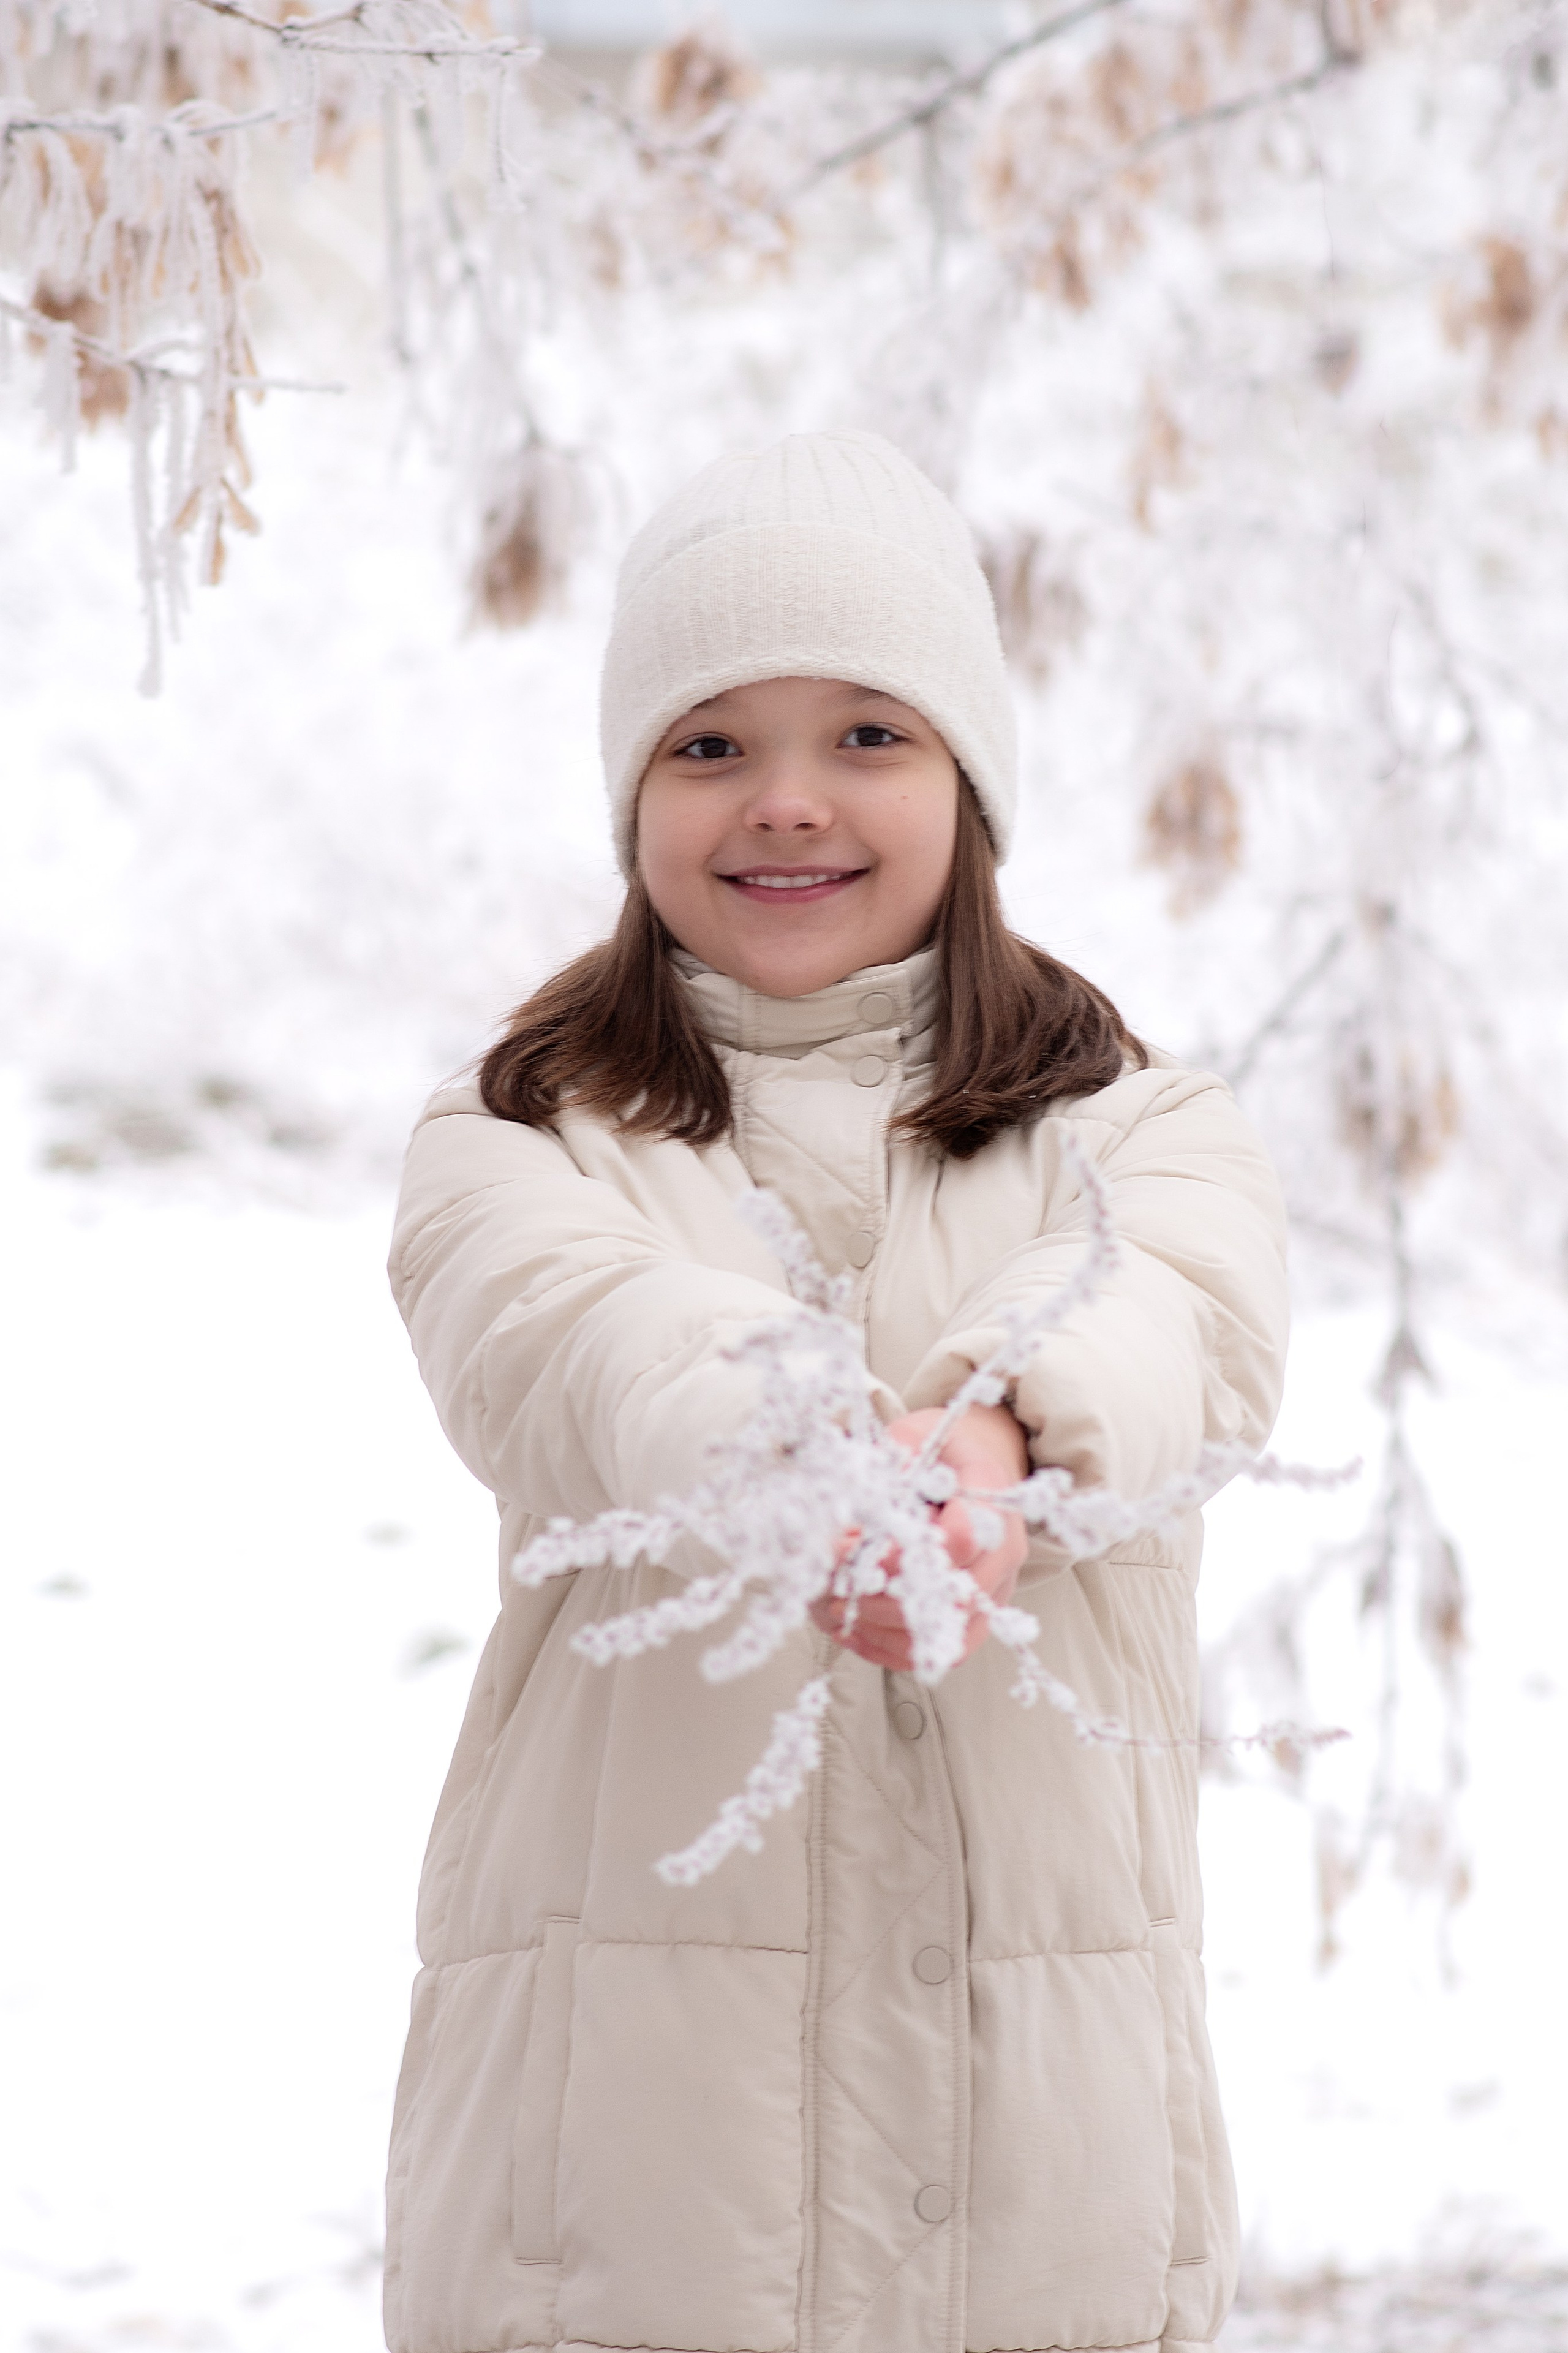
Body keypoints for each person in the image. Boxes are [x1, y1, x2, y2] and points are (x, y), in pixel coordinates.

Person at [383, 429, 1289, 2353]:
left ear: (970, 778)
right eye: (711, 742)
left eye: (869, 732)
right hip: (624, 2207)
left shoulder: (1148, 1130)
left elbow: (1176, 1318)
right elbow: (565, 1334)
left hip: (1043, 2194)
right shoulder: (519, 1136)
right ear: (632, 790)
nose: (787, 802)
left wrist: (996, 1440)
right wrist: (782, 1441)